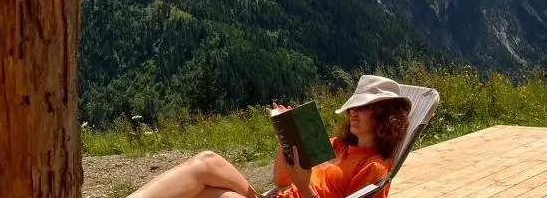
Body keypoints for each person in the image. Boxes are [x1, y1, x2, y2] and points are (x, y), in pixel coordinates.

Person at [128, 75, 412, 198]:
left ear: (384, 116)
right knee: (206, 171)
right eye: (352, 106)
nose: (353, 112)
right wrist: (285, 136)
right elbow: (280, 180)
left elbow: (299, 185)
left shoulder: (374, 168)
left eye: (363, 107)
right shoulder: (337, 146)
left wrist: (304, 186)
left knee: (207, 174)